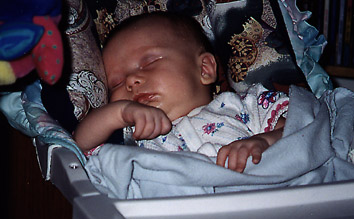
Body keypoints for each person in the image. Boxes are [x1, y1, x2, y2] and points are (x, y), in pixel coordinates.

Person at [74, 12, 288, 173]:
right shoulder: (133, 139)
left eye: (149, 62)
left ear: (204, 69)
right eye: (116, 83)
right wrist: (120, 113)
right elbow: (79, 145)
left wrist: (264, 142)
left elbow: (300, 129)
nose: (131, 81)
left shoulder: (243, 107)